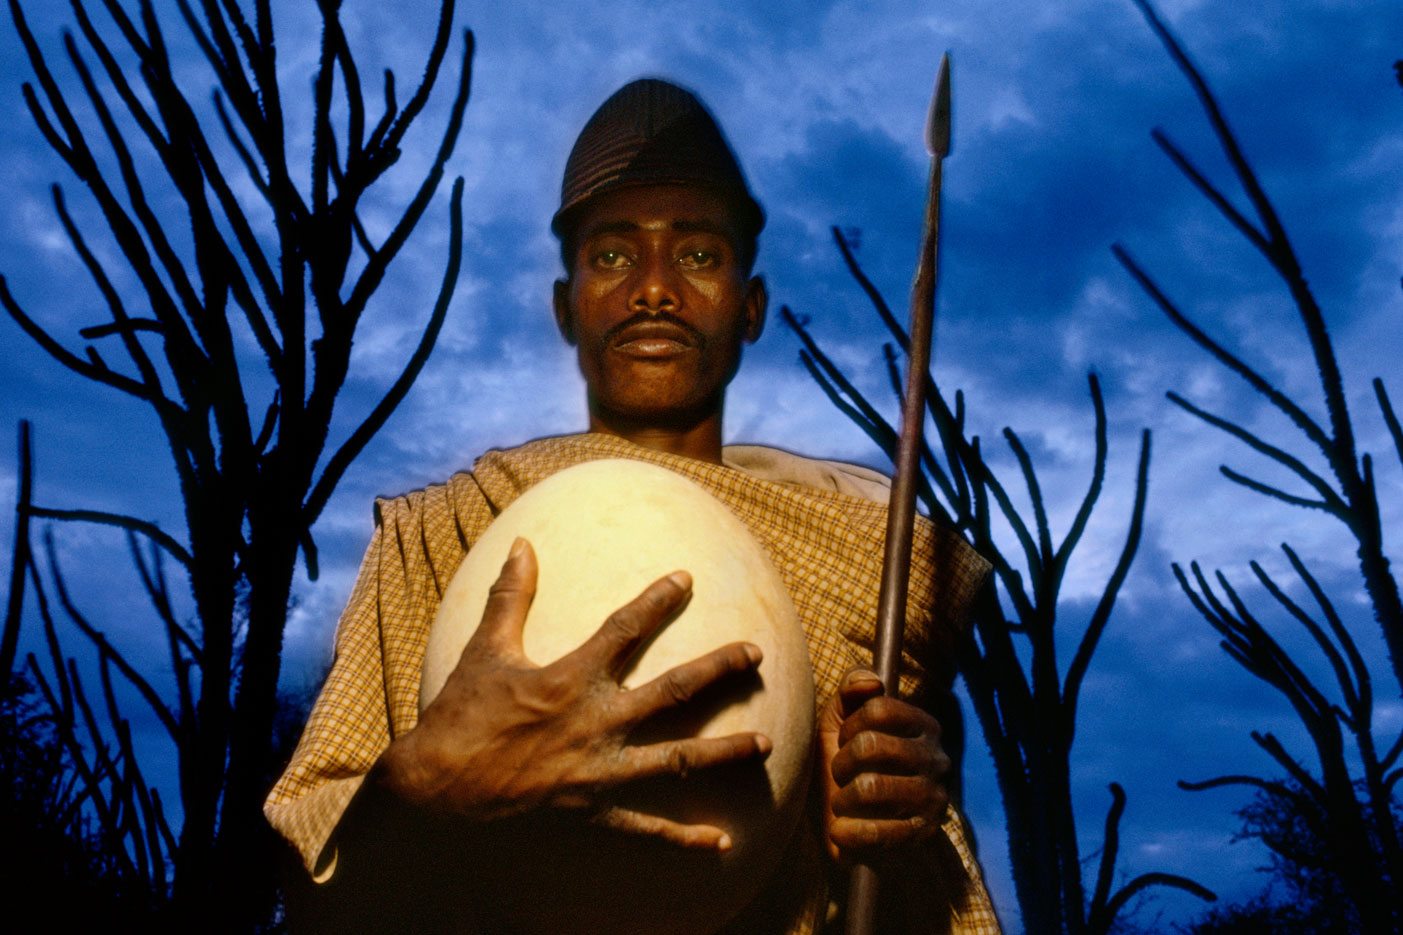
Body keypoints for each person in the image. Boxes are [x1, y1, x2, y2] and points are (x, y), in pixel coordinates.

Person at [266, 78, 1000, 935]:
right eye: (612, 255)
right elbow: (312, 896)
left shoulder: (865, 567)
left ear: (751, 307)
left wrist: (882, 844)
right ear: (564, 307)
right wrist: (424, 794)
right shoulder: (441, 535)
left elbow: (918, 909)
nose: (653, 288)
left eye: (696, 254)